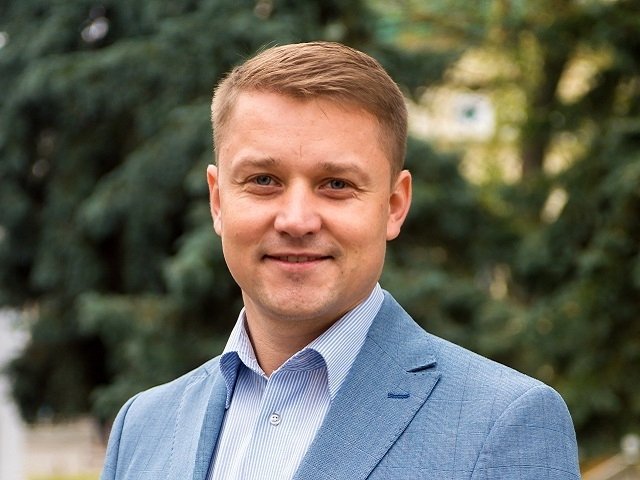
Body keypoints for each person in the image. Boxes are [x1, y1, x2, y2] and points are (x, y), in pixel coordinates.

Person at [101, 41, 580, 480]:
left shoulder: (502, 423)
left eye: (336, 185)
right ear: (218, 200)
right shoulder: (142, 428)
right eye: (264, 180)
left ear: (394, 206)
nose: (296, 220)